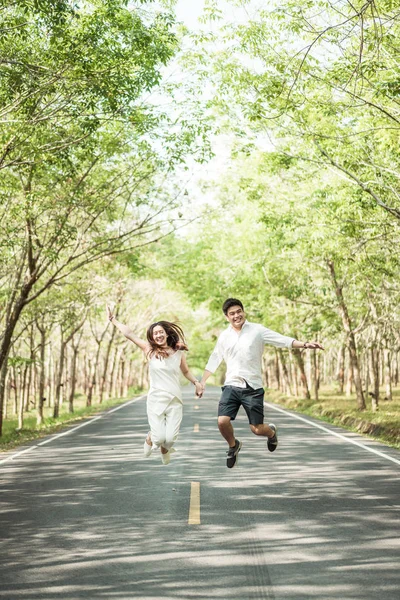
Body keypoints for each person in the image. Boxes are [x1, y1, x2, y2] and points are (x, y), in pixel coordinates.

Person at [200, 298, 324, 468]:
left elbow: (281, 340)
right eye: (232, 314)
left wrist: (305, 344)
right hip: (231, 385)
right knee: (222, 421)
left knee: (257, 429)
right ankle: (233, 445)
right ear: (227, 317)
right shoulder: (224, 336)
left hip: (252, 386)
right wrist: (203, 381)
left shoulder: (257, 330)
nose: (236, 316)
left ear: (243, 312)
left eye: (238, 312)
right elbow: (215, 358)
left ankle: (271, 433)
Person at [106, 305, 203, 465]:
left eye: (160, 332)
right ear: (152, 336)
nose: (158, 335)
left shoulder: (178, 353)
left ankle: (166, 448)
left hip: (174, 400)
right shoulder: (149, 350)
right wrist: (113, 320)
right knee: (158, 438)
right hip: (156, 399)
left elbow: (186, 372)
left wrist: (197, 383)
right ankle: (151, 437)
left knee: (170, 438)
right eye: (155, 333)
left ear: (166, 333)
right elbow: (129, 334)